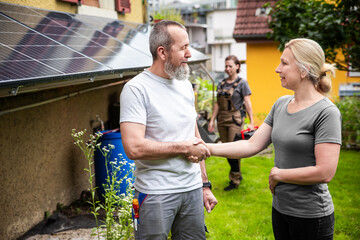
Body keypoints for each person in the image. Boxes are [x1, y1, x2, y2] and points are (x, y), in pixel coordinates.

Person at [205, 38, 341, 239]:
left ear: (304, 70)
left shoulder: (326, 112)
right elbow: (252, 144)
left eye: (284, 63)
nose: (278, 69)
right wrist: (206, 147)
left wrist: (279, 175)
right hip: (280, 209)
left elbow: (325, 172)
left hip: (311, 217)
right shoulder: (281, 104)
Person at [120, 20, 218, 240]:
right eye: (183, 48)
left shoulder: (184, 84)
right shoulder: (136, 89)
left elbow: (195, 137)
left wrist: (204, 184)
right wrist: (183, 148)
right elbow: (133, 147)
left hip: (192, 190)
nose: (189, 53)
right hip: (155, 194)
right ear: (162, 52)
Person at [208, 55, 254, 191]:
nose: (227, 69)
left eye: (230, 66)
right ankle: (237, 174)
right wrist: (212, 120)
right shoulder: (221, 83)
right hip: (222, 119)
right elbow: (217, 104)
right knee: (226, 150)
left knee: (233, 150)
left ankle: (234, 180)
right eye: (226, 66)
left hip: (235, 119)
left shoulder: (242, 83)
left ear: (237, 67)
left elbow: (247, 102)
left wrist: (251, 121)